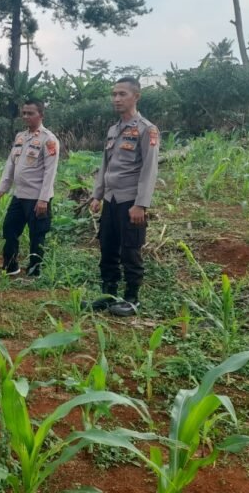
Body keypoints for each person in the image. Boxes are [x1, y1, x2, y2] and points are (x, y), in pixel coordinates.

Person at [87, 77, 159, 317]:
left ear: (136, 96)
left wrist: (141, 204)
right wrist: (97, 195)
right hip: (111, 200)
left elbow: (149, 170)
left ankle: (131, 298)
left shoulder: (147, 129)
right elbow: (105, 165)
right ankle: (109, 294)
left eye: (122, 94)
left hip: (130, 201)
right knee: (107, 247)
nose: (116, 99)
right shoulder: (113, 130)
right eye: (114, 94)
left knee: (130, 249)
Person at [0, 99, 60, 277]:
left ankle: (34, 271)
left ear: (41, 115)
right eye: (24, 113)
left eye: (30, 113)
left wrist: (43, 199)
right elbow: (10, 164)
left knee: (37, 235)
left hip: (37, 197)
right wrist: (3, 187)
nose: (26, 116)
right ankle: (11, 266)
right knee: (9, 229)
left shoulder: (49, 140)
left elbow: (50, 172)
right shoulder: (21, 137)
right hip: (19, 195)